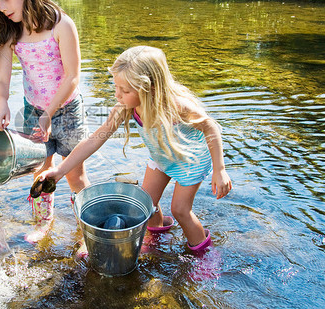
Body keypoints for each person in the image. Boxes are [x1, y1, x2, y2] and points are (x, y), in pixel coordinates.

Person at [38, 46, 232, 252]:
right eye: (116, 87)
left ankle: (203, 253)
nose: (118, 95)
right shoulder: (125, 108)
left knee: (180, 210)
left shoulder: (176, 106)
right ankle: (156, 235)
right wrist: (60, 171)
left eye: (126, 90)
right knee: (145, 205)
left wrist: (219, 170)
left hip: (190, 160)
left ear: (150, 88)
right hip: (162, 157)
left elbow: (210, 126)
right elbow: (94, 140)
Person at [0, 0, 90, 243]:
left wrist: (50, 114)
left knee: (74, 175)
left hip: (67, 110)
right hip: (33, 110)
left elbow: (72, 77)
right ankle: (44, 223)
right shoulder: (11, 32)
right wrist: (1, 102)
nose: (2, 7)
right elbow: (2, 79)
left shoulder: (61, 25)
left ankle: (84, 231)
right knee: (40, 169)